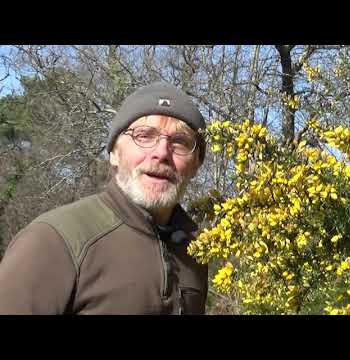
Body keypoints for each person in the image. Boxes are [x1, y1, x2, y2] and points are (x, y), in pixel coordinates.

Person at [0, 82, 208, 314]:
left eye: (180, 142)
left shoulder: (197, 251)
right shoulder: (52, 241)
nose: (161, 153)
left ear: (196, 164)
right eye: (144, 136)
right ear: (114, 154)